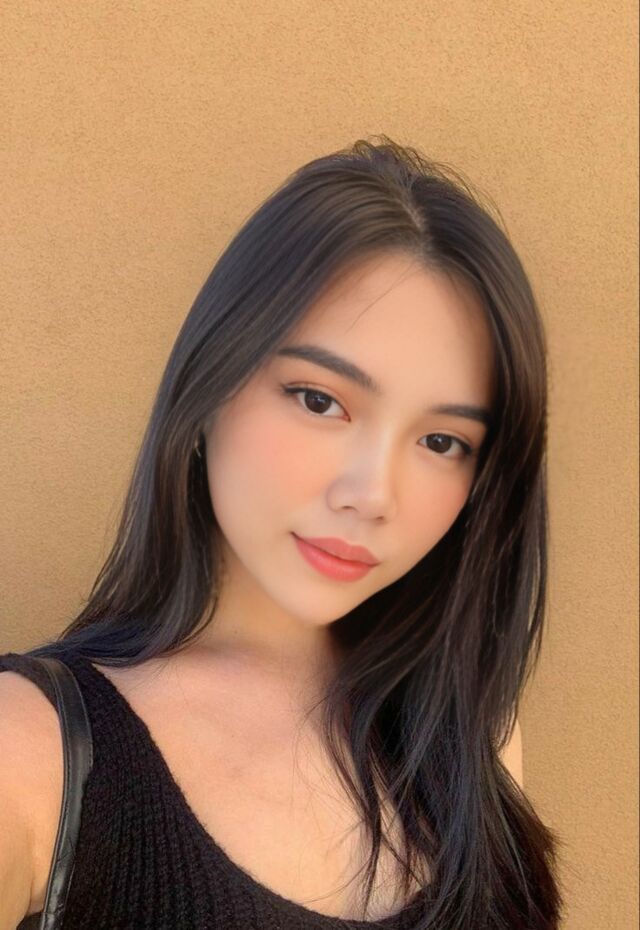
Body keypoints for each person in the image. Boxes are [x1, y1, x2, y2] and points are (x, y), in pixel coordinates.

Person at [0, 136, 564, 929]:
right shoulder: (33, 752)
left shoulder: (464, 729)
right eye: (320, 400)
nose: (372, 495)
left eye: (442, 442)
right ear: (209, 387)